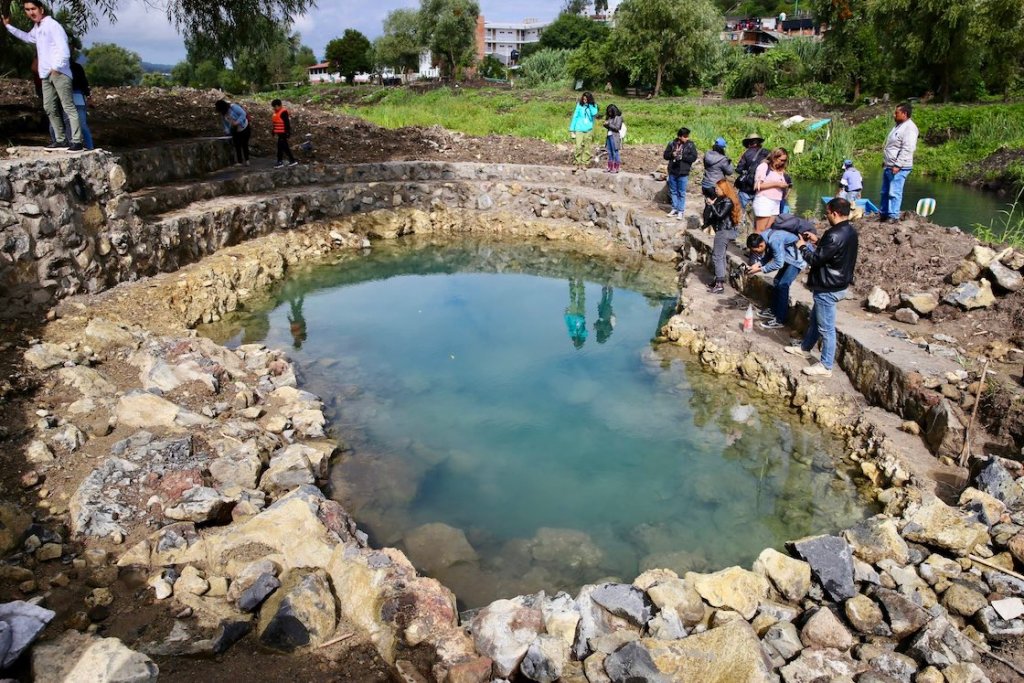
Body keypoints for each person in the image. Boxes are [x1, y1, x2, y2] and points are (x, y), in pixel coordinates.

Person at [785, 197, 859, 378]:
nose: (826, 216)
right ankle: (804, 348)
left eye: (827, 213)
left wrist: (803, 247)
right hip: (838, 282)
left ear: (834, 213)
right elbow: (833, 251)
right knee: (816, 321)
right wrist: (817, 241)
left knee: (827, 329)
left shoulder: (834, 234)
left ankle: (826, 366)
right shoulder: (849, 231)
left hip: (828, 287)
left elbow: (815, 259)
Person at [5, 0, 83, 152]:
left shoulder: (52, 25)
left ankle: (77, 141)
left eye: (33, 9)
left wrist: (57, 67)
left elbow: (64, 49)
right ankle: (60, 139)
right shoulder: (38, 27)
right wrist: (8, 26)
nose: (31, 12)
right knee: (49, 107)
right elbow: (28, 38)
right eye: (27, 10)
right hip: (45, 74)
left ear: (41, 9)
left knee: (68, 107)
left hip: (58, 72)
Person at [745, 226, 803, 330]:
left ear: (761, 245)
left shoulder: (774, 240)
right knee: (776, 281)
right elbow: (769, 255)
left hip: (796, 260)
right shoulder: (763, 237)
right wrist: (757, 264)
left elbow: (778, 263)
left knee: (783, 285)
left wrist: (759, 270)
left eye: (757, 251)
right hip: (786, 257)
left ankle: (780, 319)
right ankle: (773, 311)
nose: (757, 253)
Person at [879, 103, 918, 223]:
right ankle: (884, 213)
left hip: (899, 167)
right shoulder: (898, 126)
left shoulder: (909, 128)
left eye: (897, 113)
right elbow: (892, 146)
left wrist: (898, 165)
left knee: (894, 191)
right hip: (889, 165)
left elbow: (908, 148)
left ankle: (893, 216)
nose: (894, 115)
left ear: (904, 114)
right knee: (885, 191)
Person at [703, 179, 742, 294]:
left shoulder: (728, 202)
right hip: (721, 230)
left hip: (724, 231)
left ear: (724, 190)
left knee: (717, 256)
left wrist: (712, 205)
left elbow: (720, 216)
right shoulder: (721, 199)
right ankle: (718, 280)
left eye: (718, 189)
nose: (716, 190)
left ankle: (719, 285)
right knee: (721, 255)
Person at [663, 127, 698, 219]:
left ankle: (680, 211)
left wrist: (683, 156)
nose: (687, 138)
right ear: (679, 136)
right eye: (685, 136)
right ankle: (674, 208)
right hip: (673, 171)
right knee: (673, 191)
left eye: (687, 136)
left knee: (681, 192)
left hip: (683, 172)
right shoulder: (672, 143)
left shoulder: (690, 145)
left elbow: (694, 157)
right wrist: (672, 154)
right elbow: (665, 156)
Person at [752, 147, 790, 233]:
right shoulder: (764, 166)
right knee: (760, 229)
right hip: (764, 200)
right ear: (774, 157)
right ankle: (754, 246)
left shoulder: (780, 170)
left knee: (768, 230)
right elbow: (757, 186)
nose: (782, 162)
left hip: (776, 202)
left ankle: (762, 245)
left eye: (784, 160)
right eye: (781, 160)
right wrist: (776, 184)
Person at [215, 99, 251, 166]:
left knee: (244, 144)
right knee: (237, 145)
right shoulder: (223, 114)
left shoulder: (233, 107)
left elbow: (243, 114)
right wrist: (227, 131)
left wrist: (237, 122)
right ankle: (239, 161)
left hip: (244, 127)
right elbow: (225, 123)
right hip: (234, 129)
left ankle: (247, 160)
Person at [568, 91, 598, 171]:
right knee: (578, 146)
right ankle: (577, 163)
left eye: (586, 99)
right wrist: (572, 129)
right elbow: (575, 116)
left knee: (587, 147)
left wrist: (590, 105)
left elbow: (594, 113)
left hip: (588, 129)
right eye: (584, 99)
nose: (585, 101)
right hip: (579, 128)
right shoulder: (579, 105)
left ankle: (584, 163)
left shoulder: (593, 105)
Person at [70, 58, 94, 150]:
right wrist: (88, 96)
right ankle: (89, 146)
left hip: (74, 95)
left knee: (77, 123)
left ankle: (80, 144)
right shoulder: (77, 67)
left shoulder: (68, 68)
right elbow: (85, 83)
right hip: (79, 96)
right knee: (82, 124)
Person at [271, 99, 298, 168]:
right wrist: (274, 130)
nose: (273, 108)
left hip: (283, 133)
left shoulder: (283, 112)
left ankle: (280, 162)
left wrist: (287, 132)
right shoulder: (276, 113)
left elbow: (286, 123)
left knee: (280, 147)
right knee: (285, 148)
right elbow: (276, 123)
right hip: (280, 133)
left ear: (277, 106)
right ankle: (292, 160)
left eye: (274, 107)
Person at [565, 278, 587, 349]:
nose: (576, 341)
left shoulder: (571, 334)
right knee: (581, 299)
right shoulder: (583, 335)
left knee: (573, 300)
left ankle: (572, 283)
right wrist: (579, 336)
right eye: (577, 343)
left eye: (575, 343)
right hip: (580, 315)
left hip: (572, 315)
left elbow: (568, 323)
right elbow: (584, 327)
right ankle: (580, 282)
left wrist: (566, 314)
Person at [601, 104, 623, 174]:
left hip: (615, 136)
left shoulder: (618, 117)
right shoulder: (610, 117)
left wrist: (609, 124)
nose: (609, 113)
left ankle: (616, 167)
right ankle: (610, 167)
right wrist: (605, 125)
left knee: (615, 152)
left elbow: (617, 128)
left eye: (610, 112)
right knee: (609, 152)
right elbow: (610, 127)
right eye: (608, 112)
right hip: (609, 136)